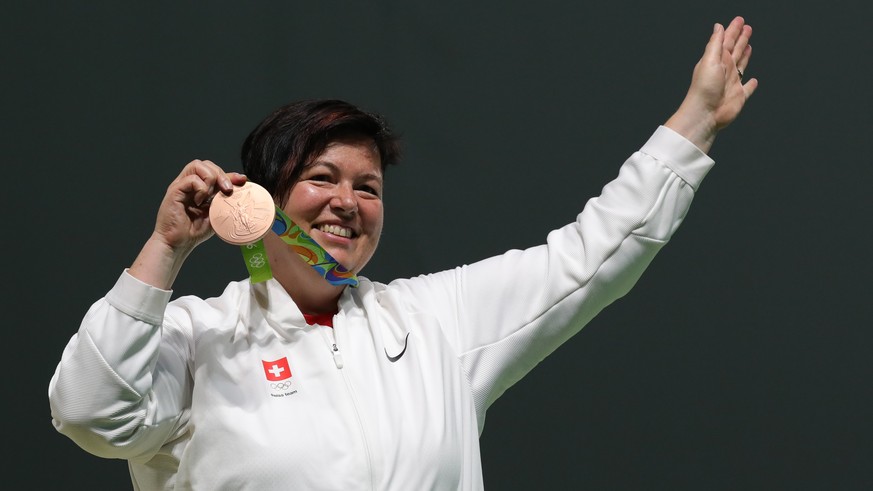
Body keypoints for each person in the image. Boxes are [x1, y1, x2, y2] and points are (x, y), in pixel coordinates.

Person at [49, 17, 758, 490]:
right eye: (321, 177)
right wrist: (166, 248)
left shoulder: (433, 322)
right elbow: (88, 413)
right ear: (256, 201)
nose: (347, 203)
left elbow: (589, 255)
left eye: (368, 187)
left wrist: (693, 121)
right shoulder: (196, 337)